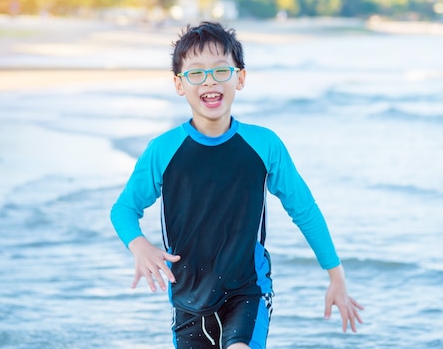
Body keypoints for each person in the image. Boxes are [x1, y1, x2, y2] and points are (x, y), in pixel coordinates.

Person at [110, 21, 363, 349]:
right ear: (178, 84)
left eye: (221, 71)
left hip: (248, 290)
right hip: (188, 300)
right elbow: (124, 210)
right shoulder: (163, 150)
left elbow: (304, 210)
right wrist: (139, 245)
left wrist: (336, 274)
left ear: (240, 78)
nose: (209, 81)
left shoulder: (264, 145)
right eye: (196, 73)